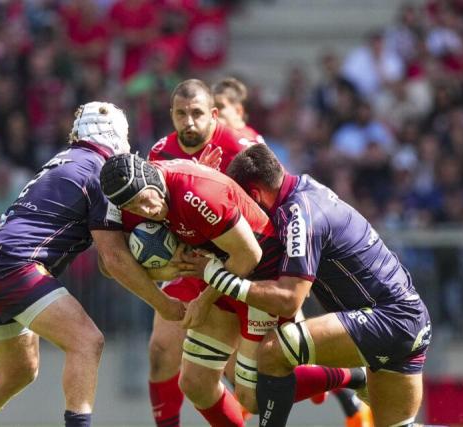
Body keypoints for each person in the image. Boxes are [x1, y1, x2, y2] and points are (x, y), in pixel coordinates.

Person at [0, 102, 184, 427]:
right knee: (87, 341)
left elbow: (107, 261)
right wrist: (164, 302)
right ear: (118, 135)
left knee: (18, 371)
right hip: (14, 264)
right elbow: (113, 260)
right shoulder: (104, 171)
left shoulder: (66, 159)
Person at [100, 154, 361, 426]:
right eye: (134, 207)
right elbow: (110, 262)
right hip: (219, 277)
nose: (146, 211)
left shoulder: (196, 193)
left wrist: (202, 300)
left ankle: (352, 377)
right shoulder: (130, 197)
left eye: (145, 200)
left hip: (259, 280)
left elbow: (250, 256)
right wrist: (166, 275)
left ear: (152, 179)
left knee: (252, 398)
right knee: (195, 383)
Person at [183, 144, 432, 427]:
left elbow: (289, 299)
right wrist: (203, 184)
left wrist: (216, 278)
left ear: (254, 195)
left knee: (274, 351)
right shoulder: (302, 191)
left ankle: (351, 377)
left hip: (389, 319)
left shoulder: (299, 214)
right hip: (408, 318)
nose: (242, 213)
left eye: (242, 202)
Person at [143, 78, 259, 427]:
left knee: (245, 380)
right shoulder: (159, 153)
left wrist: (209, 179)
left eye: (196, 113)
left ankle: (342, 381)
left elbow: (268, 208)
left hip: (241, 268)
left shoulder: (243, 147)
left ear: (213, 114)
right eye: (181, 114)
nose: (188, 122)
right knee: (162, 352)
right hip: (190, 265)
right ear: (172, 114)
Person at [211, 77, 265, 144]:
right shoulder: (250, 136)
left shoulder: (246, 141)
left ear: (238, 110)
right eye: (211, 106)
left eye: (220, 106)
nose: (214, 111)